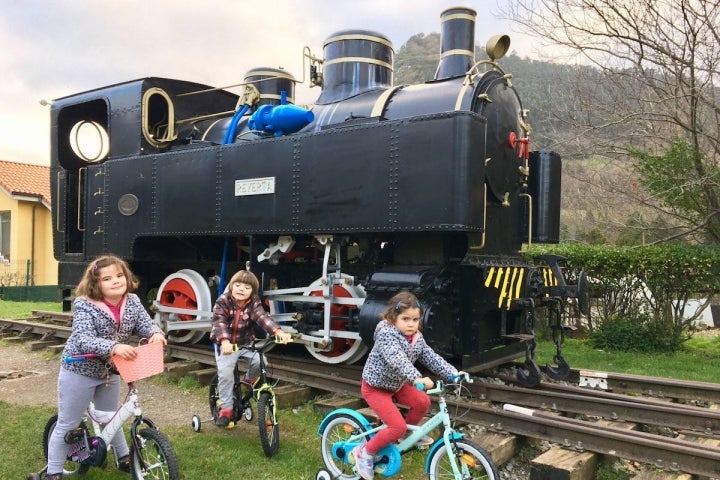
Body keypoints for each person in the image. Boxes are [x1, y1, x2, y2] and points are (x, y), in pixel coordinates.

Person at [42, 255, 167, 480]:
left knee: (111, 416)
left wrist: (156, 333)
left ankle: (124, 457)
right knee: (68, 423)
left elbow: (145, 324)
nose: (116, 281)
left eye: (120, 276)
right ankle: (53, 472)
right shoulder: (84, 305)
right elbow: (82, 338)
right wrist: (114, 347)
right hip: (79, 370)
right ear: (95, 284)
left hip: (111, 371)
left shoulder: (133, 302)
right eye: (107, 278)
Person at [352, 291, 463, 480]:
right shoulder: (386, 334)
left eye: (415, 319)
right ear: (393, 318)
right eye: (405, 319)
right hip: (375, 387)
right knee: (396, 426)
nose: (411, 324)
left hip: (397, 384)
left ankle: (406, 436)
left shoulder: (417, 337)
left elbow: (430, 356)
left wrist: (452, 373)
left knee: (422, 402)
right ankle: (365, 452)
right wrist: (416, 378)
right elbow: (397, 359)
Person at [209, 269, 292, 427]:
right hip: (225, 343)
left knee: (261, 362)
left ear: (252, 292)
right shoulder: (223, 301)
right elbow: (219, 322)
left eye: (247, 288)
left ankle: (247, 381)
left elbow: (262, 317)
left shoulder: (254, 302)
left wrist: (278, 331)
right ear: (232, 286)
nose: (241, 289)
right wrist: (225, 341)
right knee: (226, 373)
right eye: (238, 285)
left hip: (245, 343)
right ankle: (226, 410)